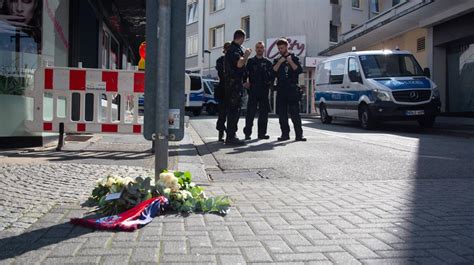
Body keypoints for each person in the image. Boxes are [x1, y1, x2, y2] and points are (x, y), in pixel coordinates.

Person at [272, 38, 306, 142]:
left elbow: (299, 70)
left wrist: (290, 61)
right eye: (279, 48)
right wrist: (280, 62)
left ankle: (299, 135)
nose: (280, 50)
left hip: (292, 88)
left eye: (282, 47)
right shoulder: (277, 59)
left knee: (295, 113)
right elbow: (273, 72)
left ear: (287, 46)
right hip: (281, 88)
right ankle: (285, 134)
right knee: (282, 114)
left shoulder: (294, 58)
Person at [224, 29, 252, 145]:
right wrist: (245, 56)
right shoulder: (233, 49)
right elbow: (239, 64)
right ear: (242, 38)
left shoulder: (236, 49)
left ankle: (231, 134)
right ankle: (231, 136)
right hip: (233, 84)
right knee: (233, 110)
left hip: (236, 83)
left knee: (235, 110)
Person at [243, 41, 273, 140]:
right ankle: (247, 133)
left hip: (264, 91)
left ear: (264, 49)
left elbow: (272, 76)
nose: (259, 49)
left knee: (263, 114)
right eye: (258, 47)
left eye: (261, 47)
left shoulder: (268, 62)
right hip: (253, 90)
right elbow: (245, 74)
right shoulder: (251, 62)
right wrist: (245, 82)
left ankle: (262, 134)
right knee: (250, 113)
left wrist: (270, 84)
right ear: (255, 49)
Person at [215, 41, 231, 142]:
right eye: (227, 49)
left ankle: (230, 132)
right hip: (223, 88)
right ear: (224, 50)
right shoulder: (220, 60)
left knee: (232, 113)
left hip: (232, 89)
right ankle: (221, 132)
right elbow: (222, 73)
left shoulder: (234, 59)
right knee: (222, 112)